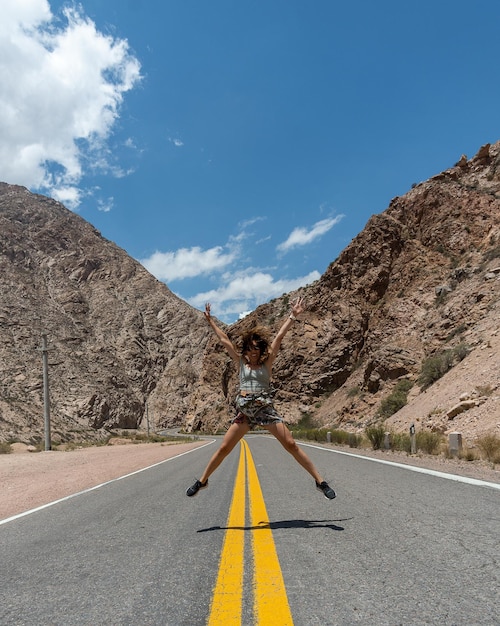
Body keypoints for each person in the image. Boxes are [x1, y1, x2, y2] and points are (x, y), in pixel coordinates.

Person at [186, 298, 336, 499]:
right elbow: (224, 341)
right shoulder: (241, 364)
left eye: (257, 348)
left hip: (266, 411)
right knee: (224, 447)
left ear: (261, 349)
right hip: (245, 413)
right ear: (245, 350)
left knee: (291, 444)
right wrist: (211, 321)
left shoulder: (267, 364)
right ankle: (202, 481)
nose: (253, 351)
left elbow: (280, 337)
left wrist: (293, 315)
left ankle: (320, 482)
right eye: (250, 348)